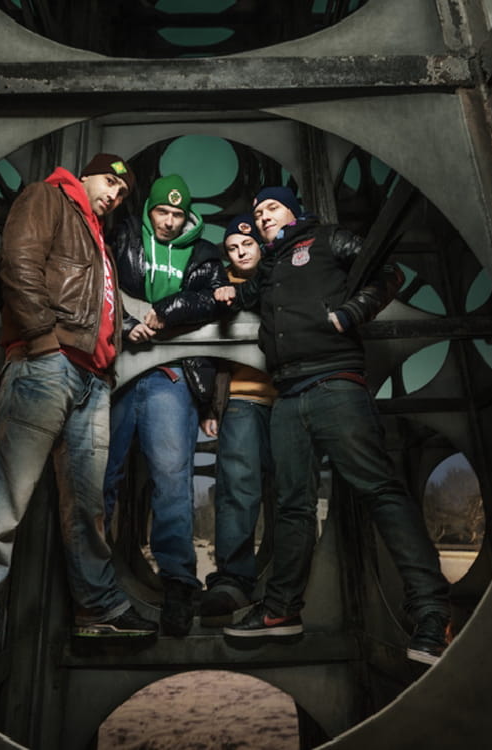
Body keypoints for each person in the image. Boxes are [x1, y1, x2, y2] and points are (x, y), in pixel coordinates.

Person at [0, 154, 158, 686]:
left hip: (93, 380)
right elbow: (19, 264)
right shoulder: (48, 197)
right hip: (47, 366)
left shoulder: (97, 236)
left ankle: (98, 608)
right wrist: (43, 341)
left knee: (87, 508)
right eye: (110, 182)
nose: (115, 194)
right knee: (0, 494)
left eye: (122, 192)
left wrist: (125, 328)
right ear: (86, 175)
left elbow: (93, 301)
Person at [219, 187, 451, 665]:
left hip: (336, 384)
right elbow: (237, 295)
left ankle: (432, 612)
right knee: (291, 506)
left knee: (380, 491)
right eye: (257, 213)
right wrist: (215, 295)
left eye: (271, 208)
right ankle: (282, 609)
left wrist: (352, 312)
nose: (263, 217)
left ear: (293, 211)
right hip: (287, 394)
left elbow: (389, 272)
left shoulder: (326, 239)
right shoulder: (268, 267)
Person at [104, 174, 228, 637]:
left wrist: (169, 309)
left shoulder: (205, 254)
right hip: (115, 374)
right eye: (162, 212)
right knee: (101, 477)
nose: (170, 221)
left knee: (172, 480)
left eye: (178, 214)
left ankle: (178, 583)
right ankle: (93, 583)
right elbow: (96, 279)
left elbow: (215, 299)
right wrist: (127, 322)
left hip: (172, 377)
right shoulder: (124, 238)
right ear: (149, 210)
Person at [198, 215, 277, 626]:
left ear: (260, 245)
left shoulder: (280, 275)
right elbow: (204, 350)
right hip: (242, 398)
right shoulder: (218, 285)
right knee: (237, 488)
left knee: (291, 493)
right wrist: (209, 407)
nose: (240, 252)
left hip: (288, 396)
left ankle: (285, 582)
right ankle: (232, 579)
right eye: (231, 248)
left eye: (246, 244)